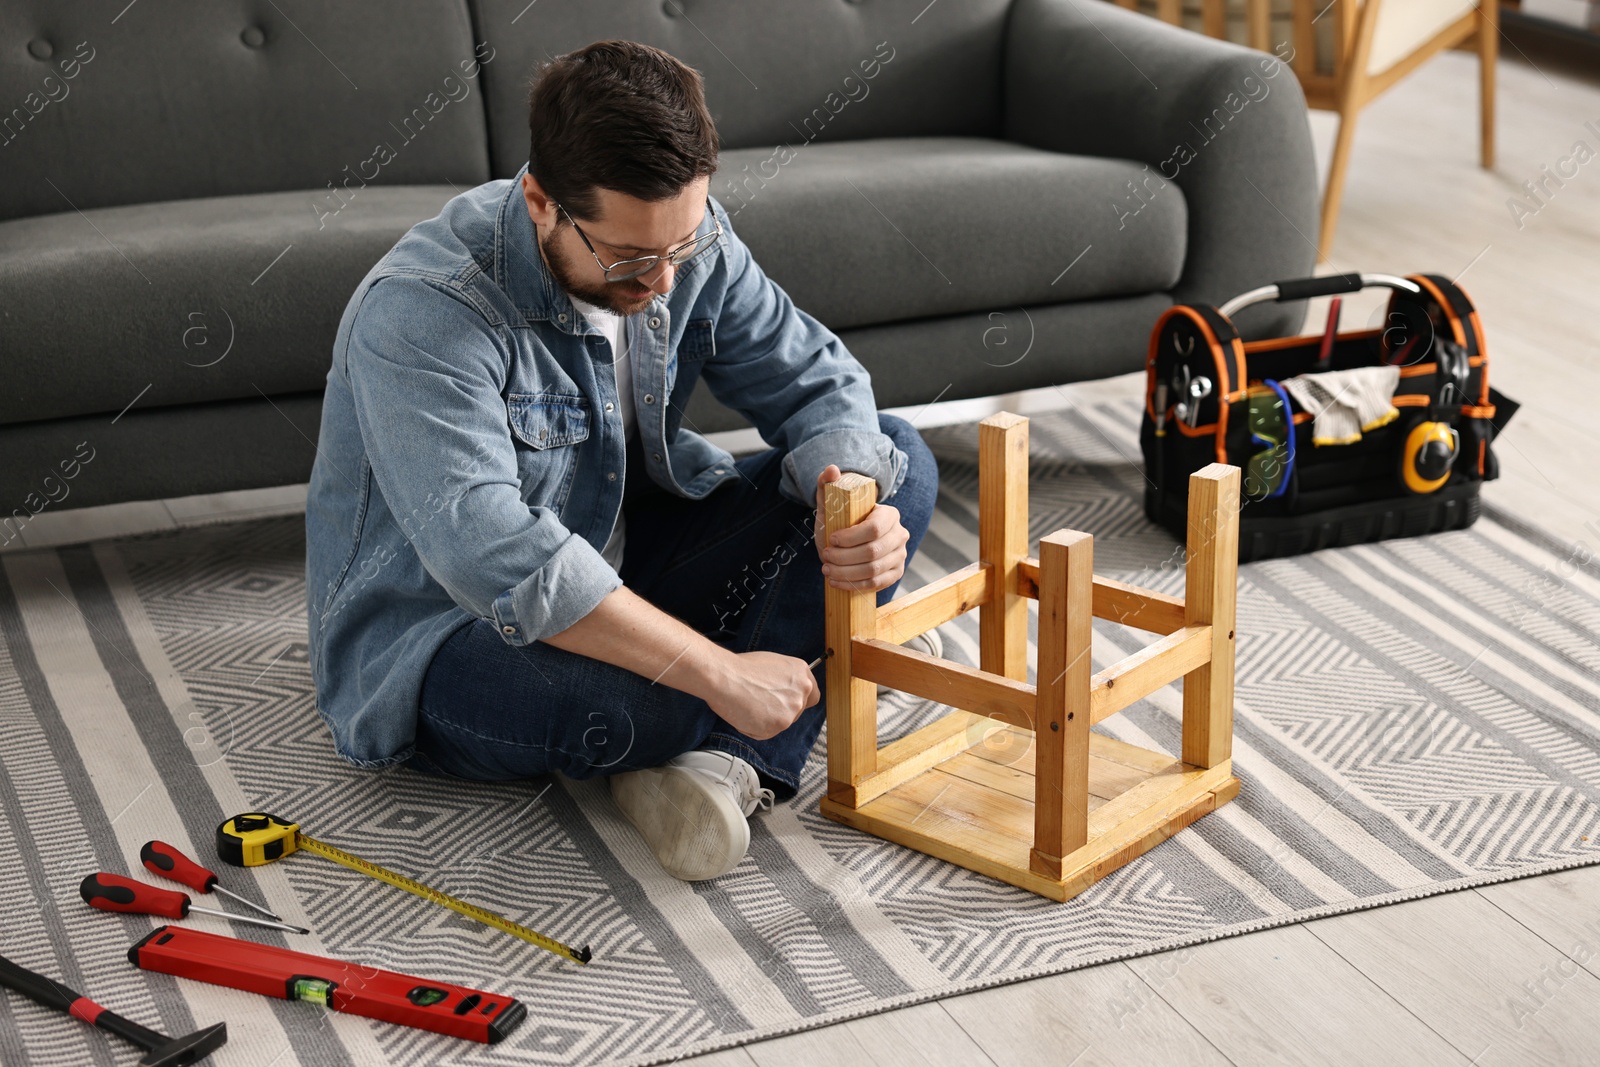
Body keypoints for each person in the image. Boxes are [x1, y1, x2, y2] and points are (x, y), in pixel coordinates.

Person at [305, 39, 940, 882]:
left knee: (893, 459)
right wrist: (718, 671)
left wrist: (851, 510)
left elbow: (817, 381)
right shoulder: (425, 312)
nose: (666, 282)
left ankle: (720, 764)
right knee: (619, 707)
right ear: (541, 201)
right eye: (632, 260)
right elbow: (498, 558)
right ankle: (751, 697)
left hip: (622, 556)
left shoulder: (681, 243)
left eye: (680, 248)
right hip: (448, 632)